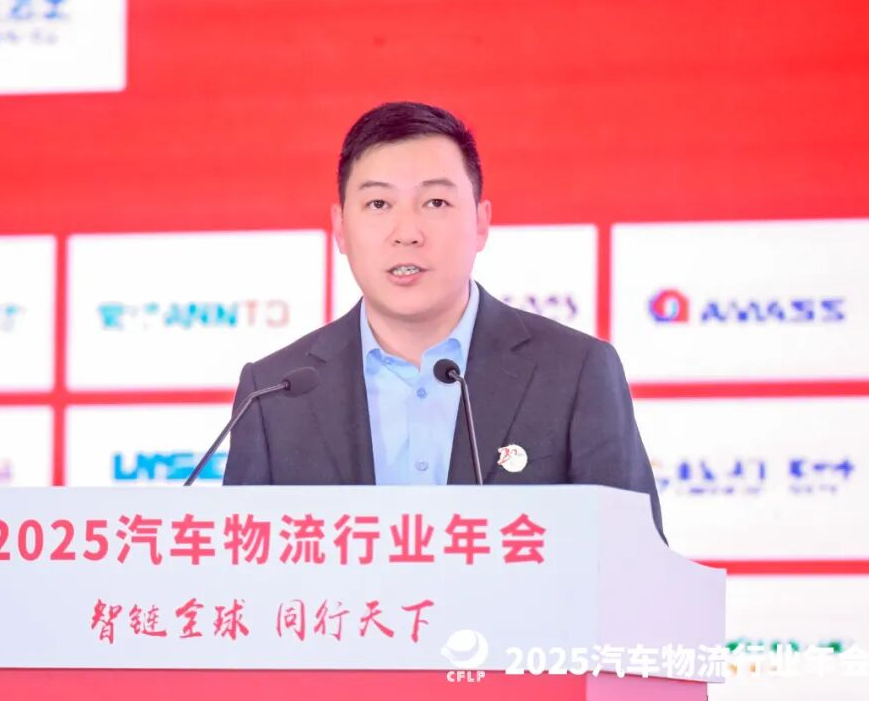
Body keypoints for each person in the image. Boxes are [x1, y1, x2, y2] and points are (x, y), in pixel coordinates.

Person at [222, 101, 664, 540]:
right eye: (378, 203)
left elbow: (632, 559)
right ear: (340, 228)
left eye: (435, 202)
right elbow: (240, 566)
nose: (407, 232)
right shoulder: (272, 394)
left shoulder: (575, 372)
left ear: (481, 223)